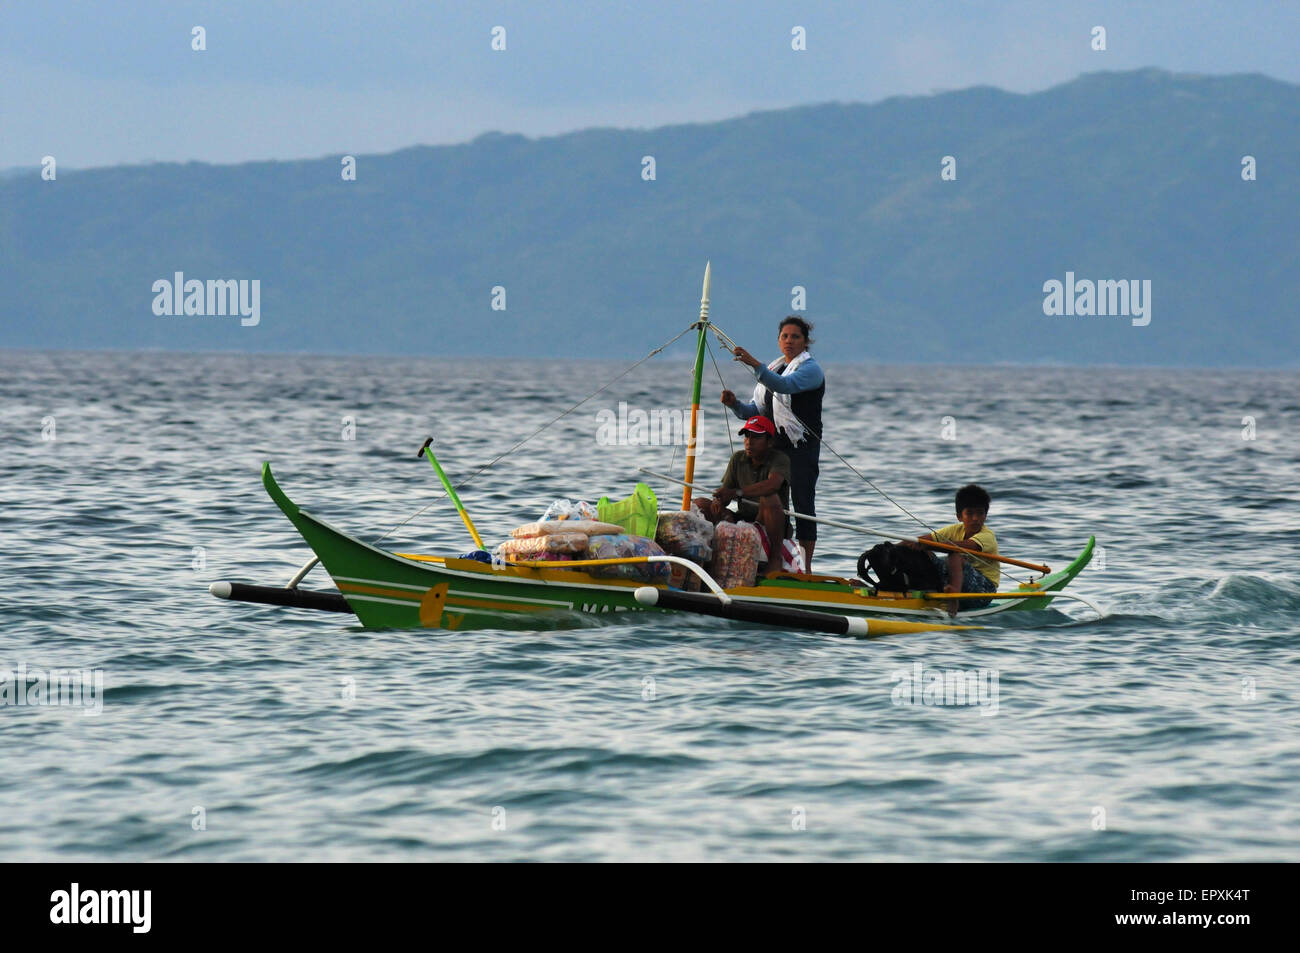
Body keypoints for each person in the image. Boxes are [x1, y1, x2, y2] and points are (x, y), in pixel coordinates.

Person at [721, 316, 824, 570]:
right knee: (772, 500)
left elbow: (784, 386)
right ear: (779, 341)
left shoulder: (810, 370)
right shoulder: (776, 368)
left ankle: (806, 568)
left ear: (806, 342)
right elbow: (755, 410)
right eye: (785, 336)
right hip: (776, 447)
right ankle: (775, 557)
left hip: (801, 448)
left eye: (795, 337)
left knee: (803, 504)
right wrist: (734, 404)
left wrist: (755, 364)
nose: (789, 341)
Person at [693, 415, 791, 578]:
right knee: (700, 503)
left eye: (756, 437)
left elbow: (772, 485)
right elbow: (726, 492)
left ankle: (775, 559)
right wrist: (719, 500)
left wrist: (737, 492)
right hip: (743, 518)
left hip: (769, 521)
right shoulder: (738, 459)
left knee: (769, 497)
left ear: (769, 441)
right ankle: (703, 557)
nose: (749, 441)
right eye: (747, 436)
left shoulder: (779, 459)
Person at [903, 484, 998, 614]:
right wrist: (893, 548)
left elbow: (957, 548)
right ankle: (900, 590)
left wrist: (925, 544)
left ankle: (954, 599)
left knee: (955, 555)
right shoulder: (954, 530)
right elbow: (920, 540)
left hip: (983, 591)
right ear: (960, 516)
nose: (975, 518)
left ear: (985, 515)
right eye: (969, 514)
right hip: (960, 584)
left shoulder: (987, 536)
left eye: (980, 513)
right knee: (920, 552)